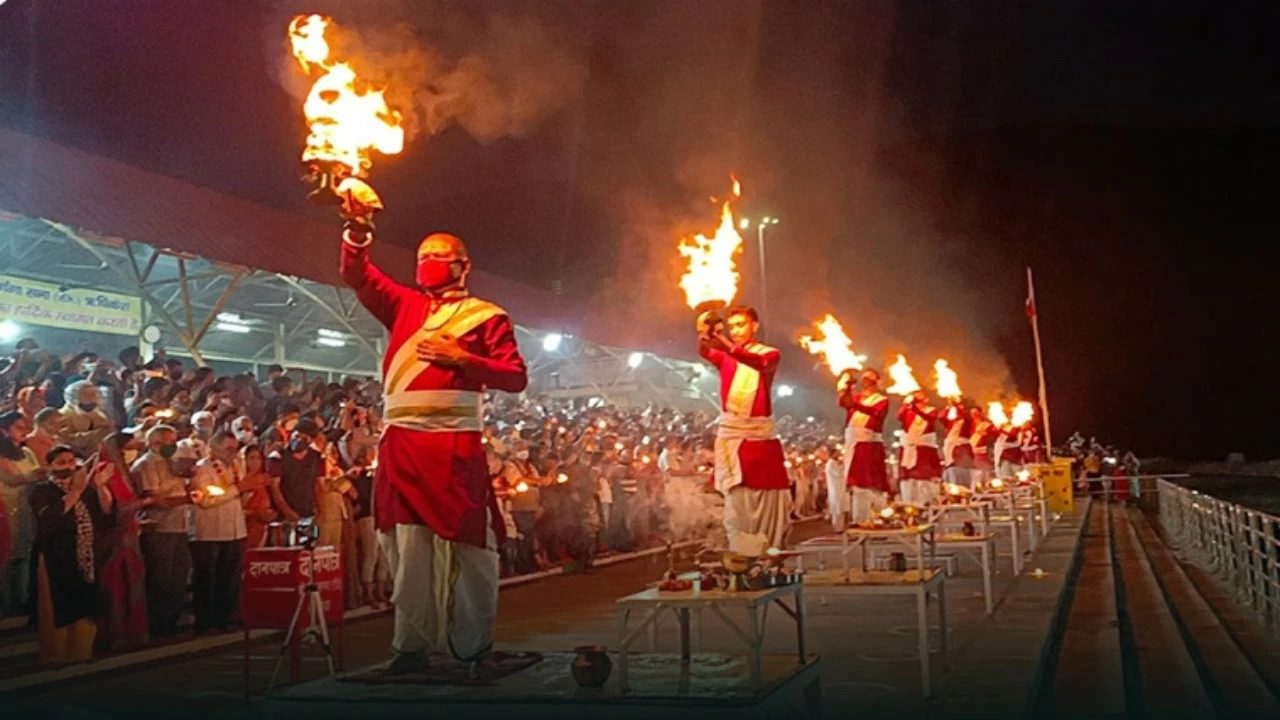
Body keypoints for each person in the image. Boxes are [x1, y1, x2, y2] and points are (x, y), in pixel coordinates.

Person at [341, 224, 528, 673]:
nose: (427, 261)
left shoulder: (487, 316)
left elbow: (515, 376)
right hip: (401, 445)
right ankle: (410, 646)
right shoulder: (404, 304)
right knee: (407, 551)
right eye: (422, 254)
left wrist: (464, 360)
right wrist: (359, 231)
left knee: (472, 549)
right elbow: (358, 274)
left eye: (439, 255)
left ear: (464, 265)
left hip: (455, 448)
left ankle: (474, 646)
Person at [696, 306, 791, 556]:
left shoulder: (770, 354)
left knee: (769, 500)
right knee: (736, 505)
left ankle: (768, 552)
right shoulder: (726, 356)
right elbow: (704, 350)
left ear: (755, 326)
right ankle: (741, 552)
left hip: (760, 438)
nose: (736, 330)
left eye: (741, 325)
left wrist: (725, 343)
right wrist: (705, 329)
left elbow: (758, 363)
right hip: (733, 437)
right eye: (732, 326)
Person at [30, 445, 113, 666]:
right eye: (61, 463)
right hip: (55, 556)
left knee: (85, 603)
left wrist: (101, 487)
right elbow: (49, 519)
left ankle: (81, 652)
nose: (68, 467)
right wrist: (74, 491)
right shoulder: (41, 490)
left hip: (85, 555)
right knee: (57, 605)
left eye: (71, 461)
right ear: (49, 466)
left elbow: (105, 514)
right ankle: (55, 655)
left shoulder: (86, 489)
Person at [92, 432, 150, 651]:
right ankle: (116, 633)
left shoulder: (125, 471)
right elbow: (108, 508)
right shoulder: (105, 470)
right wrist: (143, 503)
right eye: (129, 447)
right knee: (117, 583)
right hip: (114, 537)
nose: (132, 452)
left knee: (132, 582)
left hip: (130, 533)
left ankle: (133, 632)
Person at [133, 424, 193, 639]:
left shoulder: (173, 464)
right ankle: (156, 624)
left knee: (178, 577)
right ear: (155, 442)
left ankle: (171, 621)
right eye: (170, 441)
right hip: (159, 527)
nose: (174, 446)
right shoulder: (146, 465)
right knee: (161, 578)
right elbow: (153, 499)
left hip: (180, 526)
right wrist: (186, 499)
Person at [189, 431, 246, 634]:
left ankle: (225, 617)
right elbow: (204, 499)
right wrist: (238, 489)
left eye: (235, 449)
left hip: (234, 529)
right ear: (214, 448)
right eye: (228, 449)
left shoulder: (237, 466)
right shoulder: (203, 468)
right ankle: (205, 621)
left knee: (229, 576)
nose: (233, 453)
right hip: (210, 531)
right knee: (207, 577)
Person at [0, 411, 41, 617]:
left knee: (25, 550)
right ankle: (6, 601)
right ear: (5, 431)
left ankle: (23, 598)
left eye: (25, 426)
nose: (24, 431)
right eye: (18, 427)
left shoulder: (28, 453)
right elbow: (10, 479)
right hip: (7, 508)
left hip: (27, 506)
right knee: (7, 553)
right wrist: (34, 475)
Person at [839, 369, 891, 523]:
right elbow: (843, 402)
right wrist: (847, 386)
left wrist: (855, 403)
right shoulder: (857, 397)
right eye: (864, 378)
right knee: (857, 484)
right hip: (853, 443)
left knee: (871, 483)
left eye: (869, 377)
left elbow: (876, 413)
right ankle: (860, 518)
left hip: (870, 444)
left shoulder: (881, 400)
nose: (865, 380)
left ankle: (879, 517)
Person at [239, 445, 296, 550]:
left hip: (264, 527)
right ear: (245, 460)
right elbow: (239, 509)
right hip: (246, 527)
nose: (255, 462)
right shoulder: (242, 482)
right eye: (252, 458)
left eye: (258, 458)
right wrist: (256, 513)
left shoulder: (266, 480)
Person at [897, 389, 942, 506]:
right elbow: (899, 416)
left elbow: (930, 418)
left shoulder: (931, 410)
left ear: (926, 398)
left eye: (920, 395)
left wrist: (915, 409)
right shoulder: (908, 410)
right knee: (908, 479)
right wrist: (905, 405)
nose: (917, 397)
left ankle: (926, 505)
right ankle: (908, 506)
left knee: (923, 477)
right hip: (908, 447)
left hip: (924, 448)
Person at [59, 381, 113, 458]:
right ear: (75, 398)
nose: (92, 399)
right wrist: (94, 434)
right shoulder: (63, 416)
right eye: (87, 395)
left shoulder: (99, 413)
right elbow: (66, 440)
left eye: (94, 394)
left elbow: (109, 433)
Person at [940, 399, 974, 488]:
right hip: (950, 453)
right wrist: (948, 407)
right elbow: (941, 416)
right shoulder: (950, 422)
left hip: (962, 452)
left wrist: (957, 405)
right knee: (953, 482)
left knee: (965, 481)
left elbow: (966, 416)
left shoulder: (966, 420)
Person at [969, 408, 996, 487]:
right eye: (972, 413)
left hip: (984, 452)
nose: (974, 415)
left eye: (975, 412)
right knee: (976, 473)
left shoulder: (987, 424)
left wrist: (986, 433)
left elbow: (994, 434)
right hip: (972, 451)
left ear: (980, 413)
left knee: (986, 472)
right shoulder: (969, 424)